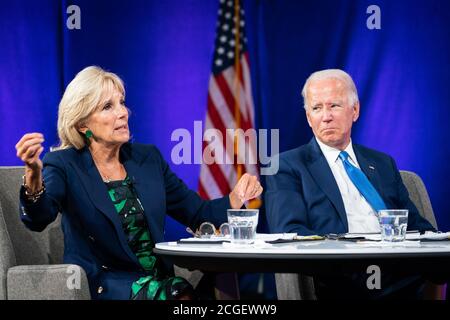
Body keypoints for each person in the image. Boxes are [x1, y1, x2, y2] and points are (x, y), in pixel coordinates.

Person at [15, 66, 263, 300]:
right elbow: (38, 218)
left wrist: (236, 197)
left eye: (121, 103)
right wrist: (34, 175)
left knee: (203, 286)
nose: (123, 112)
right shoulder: (64, 164)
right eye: (107, 107)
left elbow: (197, 213)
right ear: (82, 124)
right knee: (180, 294)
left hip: (161, 281)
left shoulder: (147, 159)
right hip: (106, 282)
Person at [265, 69, 438, 299]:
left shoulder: (383, 163)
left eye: (334, 106)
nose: (325, 116)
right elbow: (289, 232)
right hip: (342, 273)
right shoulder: (286, 165)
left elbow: (415, 224)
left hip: (397, 264)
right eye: (316, 108)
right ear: (308, 118)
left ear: (354, 110)